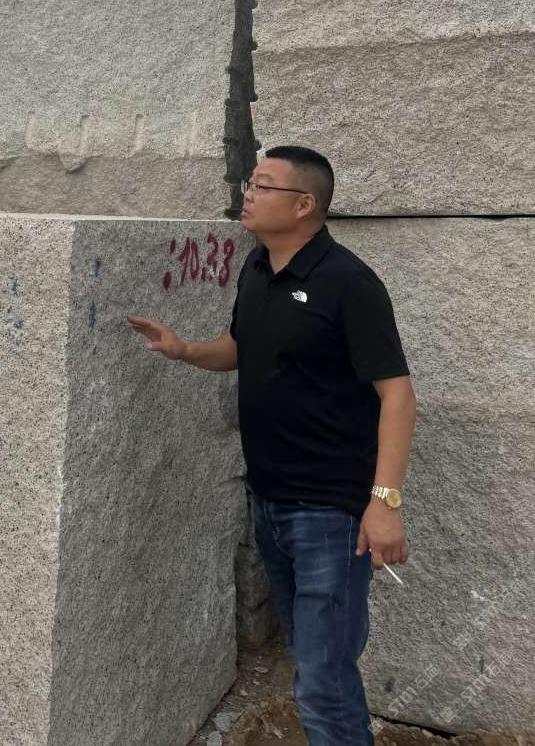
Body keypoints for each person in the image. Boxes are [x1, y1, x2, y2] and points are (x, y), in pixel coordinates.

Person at [128, 145, 417, 746]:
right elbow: (239, 347)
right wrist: (183, 350)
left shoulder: (349, 283)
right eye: (249, 184)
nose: (248, 196)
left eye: (262, 186)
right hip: (270, 504)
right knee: (312, 663)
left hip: (331, 515)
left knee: (322, 681)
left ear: (304, 204)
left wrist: (384, 501)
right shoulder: (257, 268)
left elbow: (397, 394)